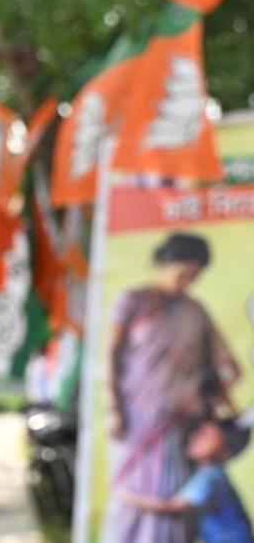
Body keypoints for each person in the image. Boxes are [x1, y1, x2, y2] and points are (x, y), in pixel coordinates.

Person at [106, 232, 241, 543]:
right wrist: (115, 408)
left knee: (175, 504)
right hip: (137, 420)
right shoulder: (133, 302)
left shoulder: (195, 311)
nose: (188, 283)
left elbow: (228, 365)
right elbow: (111, 358)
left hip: (182, 425)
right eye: (183, 274)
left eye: (195, 277)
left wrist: (211, 396)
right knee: (131, 500)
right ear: (165, 263)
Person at [121, 418, 254, 543]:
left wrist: (130, 498)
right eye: (199, 433)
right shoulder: (210, 474)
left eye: (205, 437)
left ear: (224, 453)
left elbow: (171, 506)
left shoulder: (210, 477)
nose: (195, 438)